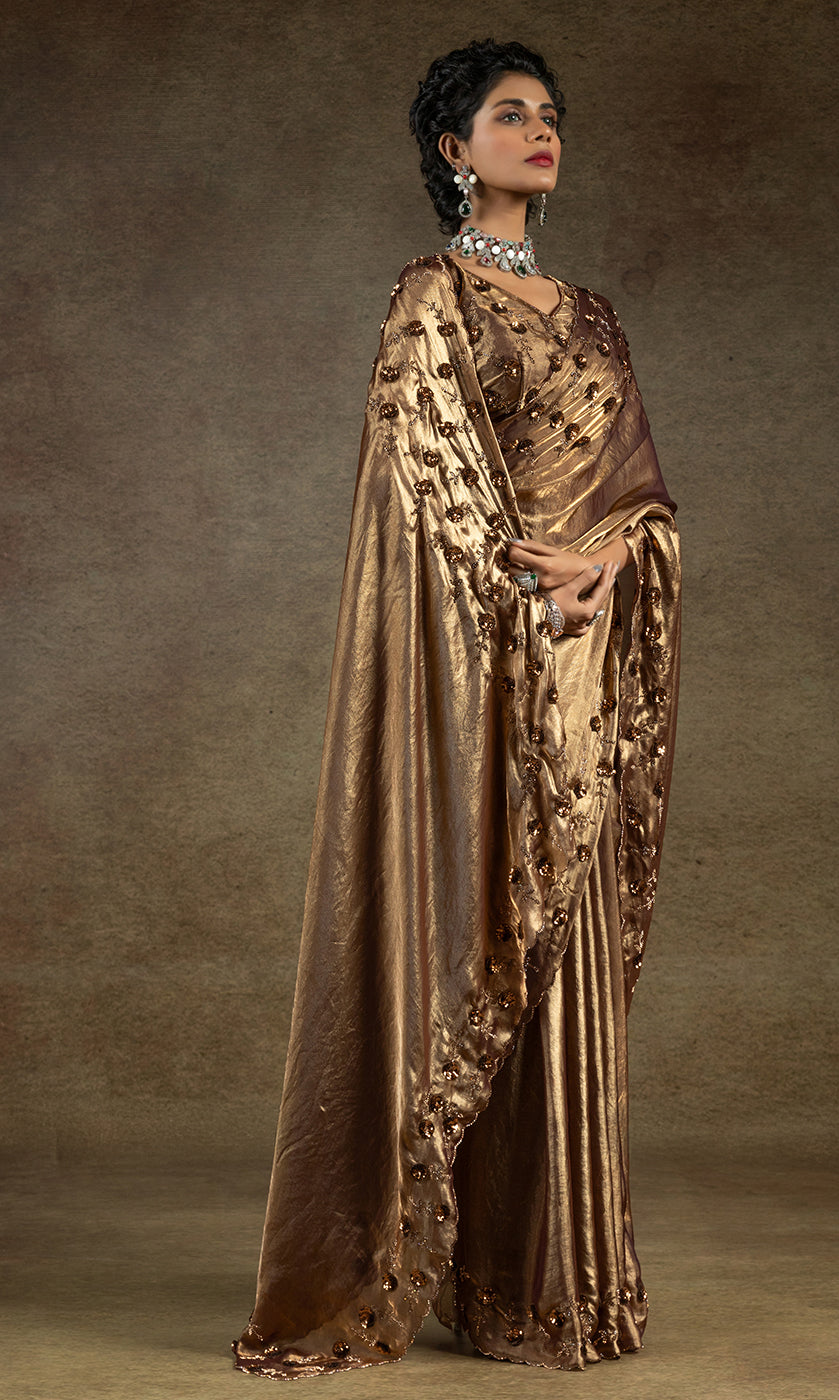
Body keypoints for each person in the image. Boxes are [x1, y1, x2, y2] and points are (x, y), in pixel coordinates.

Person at [232, 37, 680, 1378]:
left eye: (552, 114)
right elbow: (423, 493)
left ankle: (543, 1285)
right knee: (483, 930)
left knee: (567, 965)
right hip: (494, 655)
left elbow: (644, 498)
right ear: (454, 148)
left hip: (591, 662)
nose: (542, 132)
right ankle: (463, 1271)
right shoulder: (433, 298)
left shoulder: (594, 316)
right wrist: (534, 591)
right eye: (510, 114)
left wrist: (613, 564)